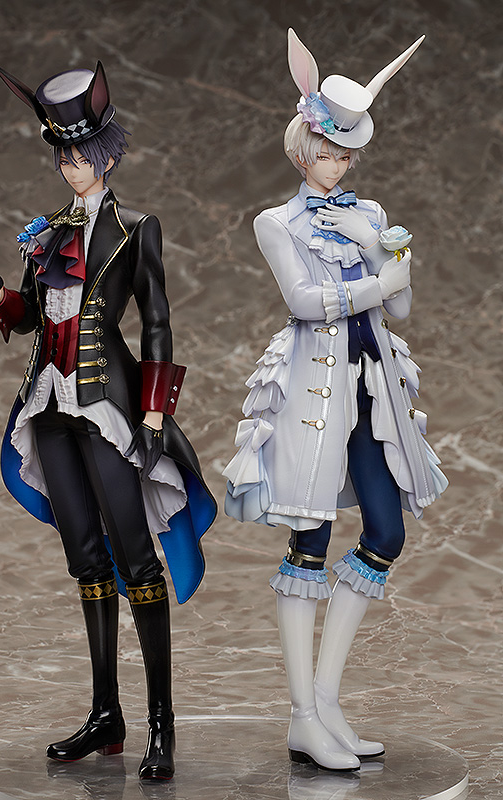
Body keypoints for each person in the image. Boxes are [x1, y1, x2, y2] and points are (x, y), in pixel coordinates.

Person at [0, 60, 216, 781]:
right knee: (85, 557)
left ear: (105, 155)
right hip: (48, 404)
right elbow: (29, 316)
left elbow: (158, 327)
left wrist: (154, 412)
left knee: (136, 559)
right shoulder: (47, 232)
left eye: (79, 153)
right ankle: (106, 714)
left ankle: (162, 725)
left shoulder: (136, 228)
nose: (69, 165)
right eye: (62, 153)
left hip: (108, 407)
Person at [223, 30, 447, 771]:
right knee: (309, 542)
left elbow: (402, 308)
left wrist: (380, 247)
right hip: (312, 394)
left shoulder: (370, 212)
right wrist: (377, 279)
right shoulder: (276, 222)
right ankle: (301, 716)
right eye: (328, 150)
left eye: (347, 153)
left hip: (372, 387)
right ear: (302, 148)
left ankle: (325, 703)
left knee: (385, 532)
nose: (339, 163)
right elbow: (302, 300)